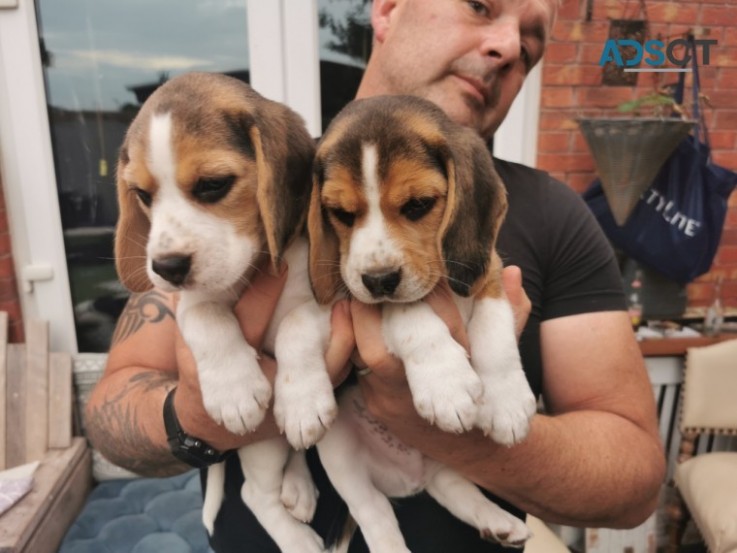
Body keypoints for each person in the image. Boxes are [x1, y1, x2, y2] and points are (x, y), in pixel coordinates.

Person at [86, 1, 666, 551]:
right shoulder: (279, 179)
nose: (509, 46)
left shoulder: (558, 216)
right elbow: (116, 405)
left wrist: (456, 437)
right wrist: (193, 420)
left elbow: (636, 480)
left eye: (533, 42)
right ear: (387, 9)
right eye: (479, 6)